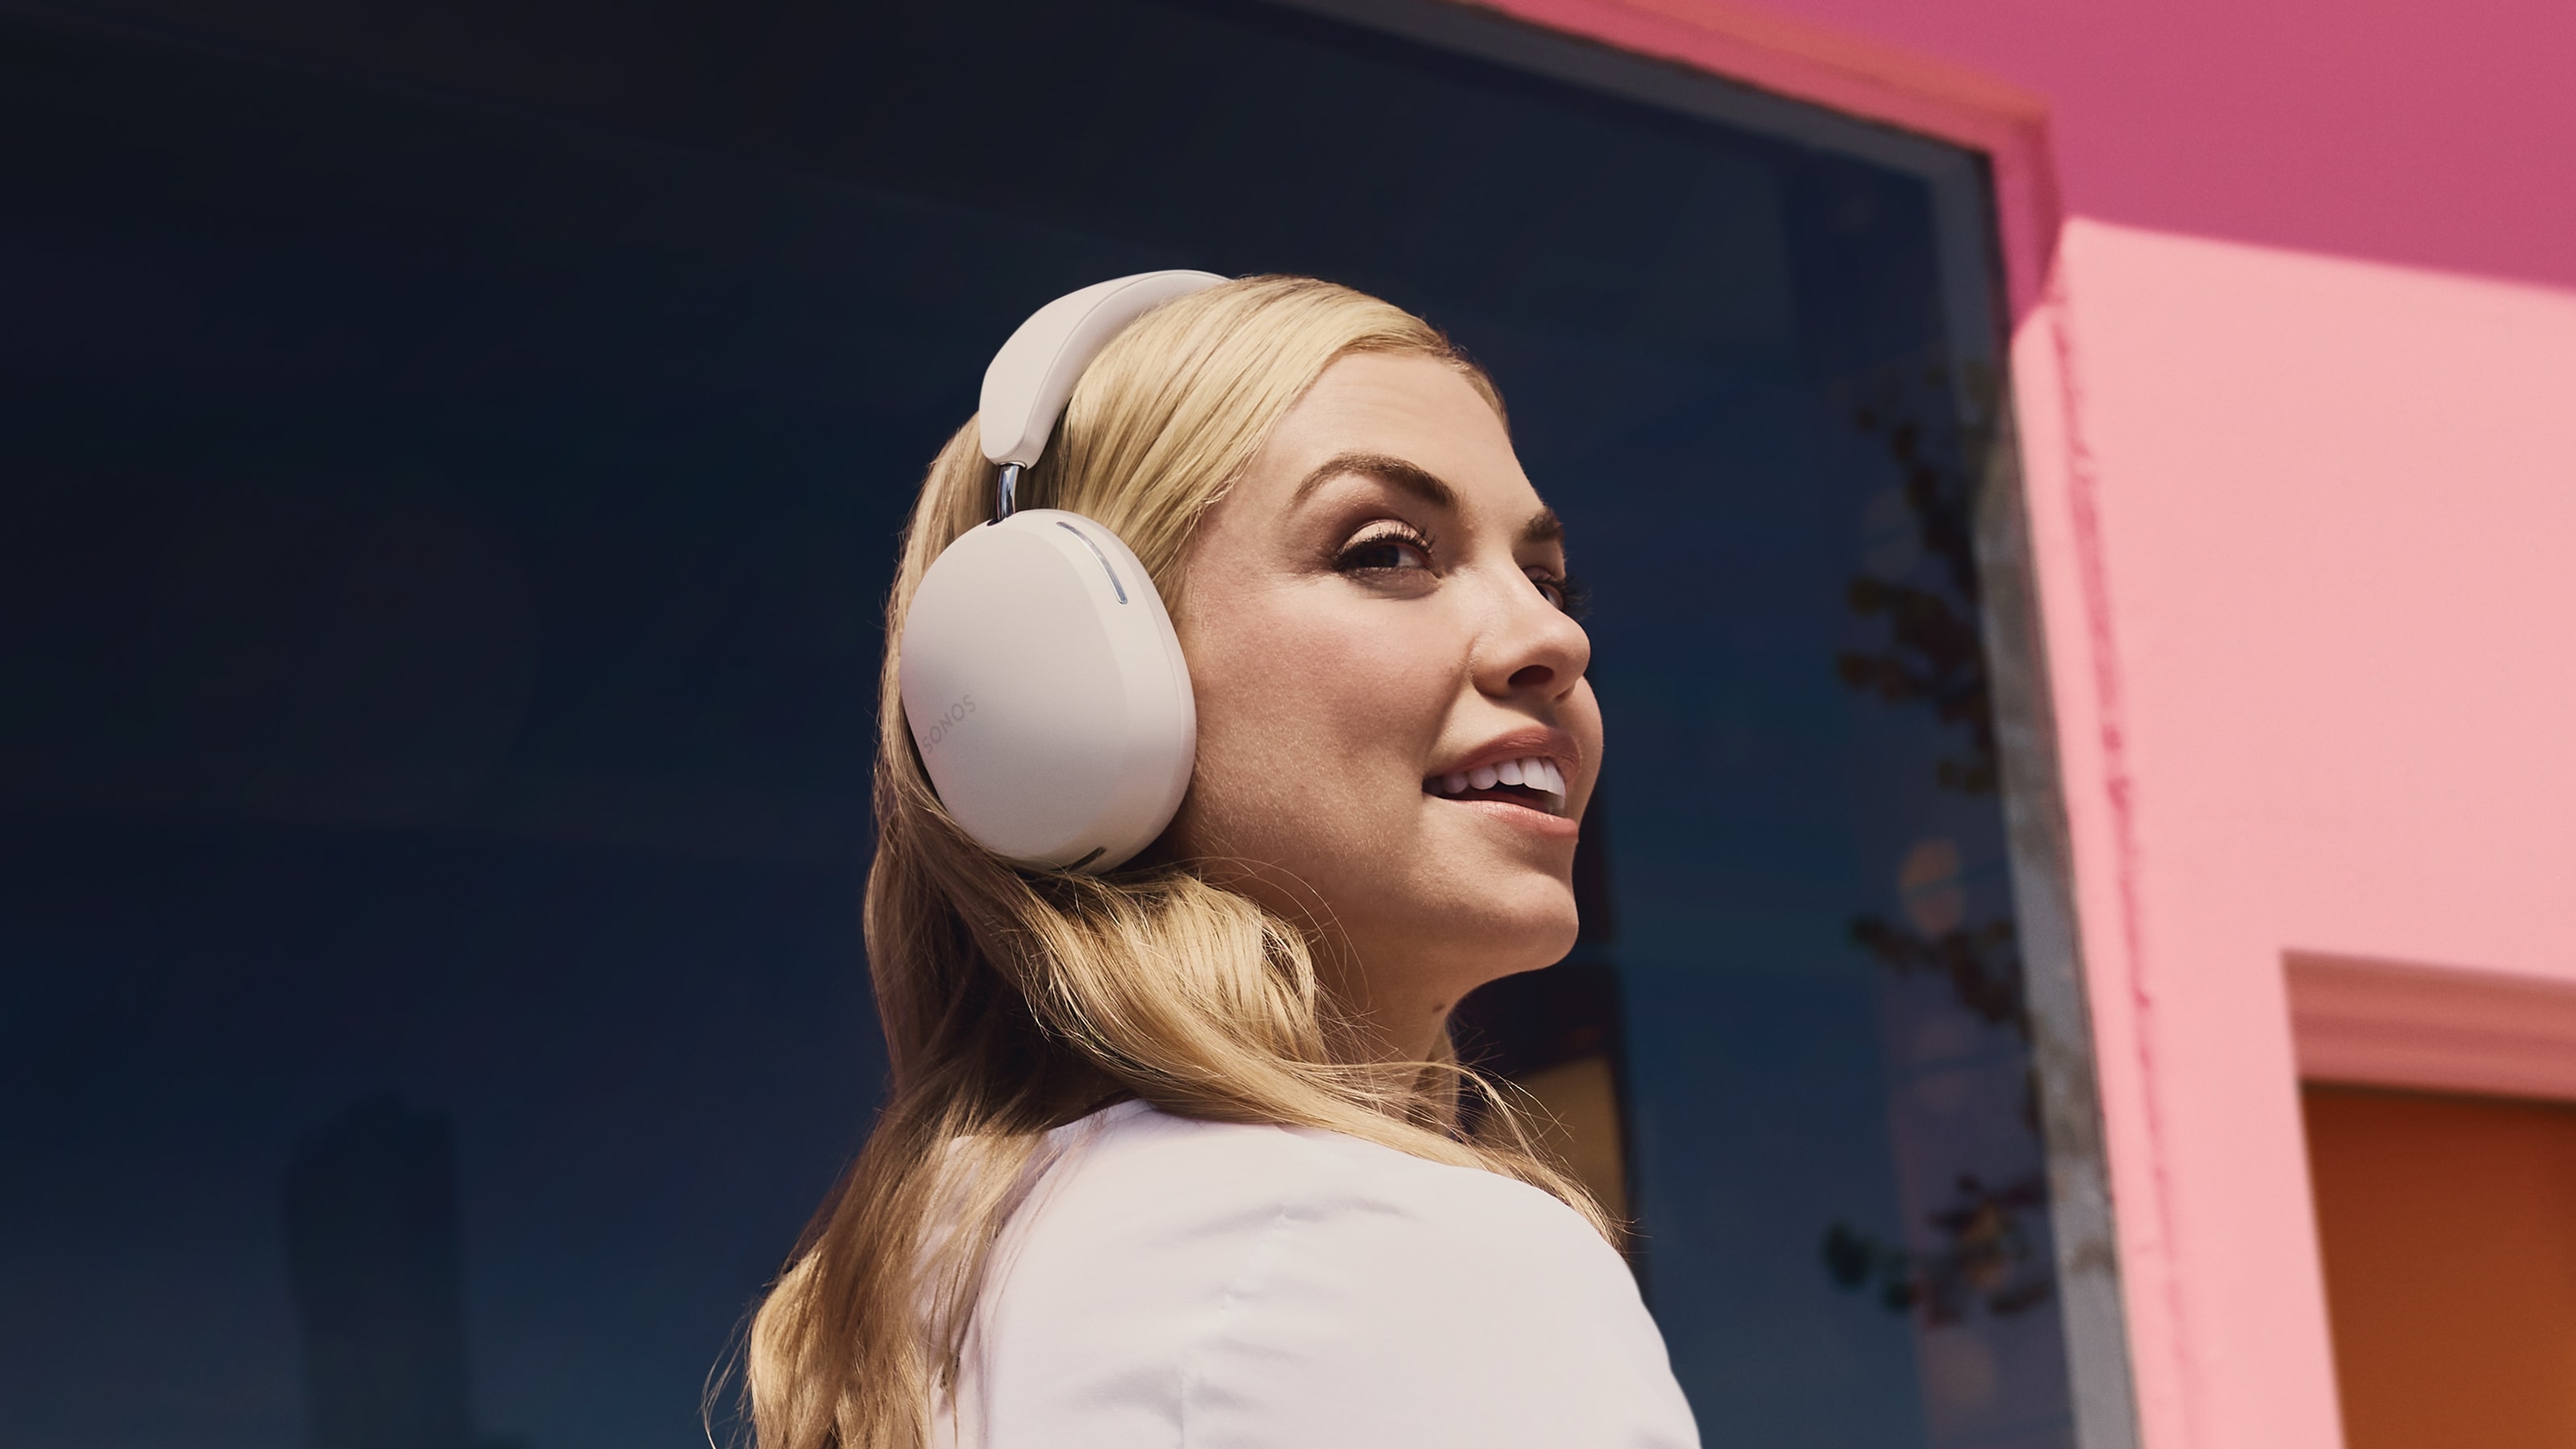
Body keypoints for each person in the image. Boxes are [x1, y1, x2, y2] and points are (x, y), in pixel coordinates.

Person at [745, 276, 1697, 1449]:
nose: (1556, 637)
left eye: (1547, 580)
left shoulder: (945, 1293)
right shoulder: (1391, 1259)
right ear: (1074, 671)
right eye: (1388, 552)